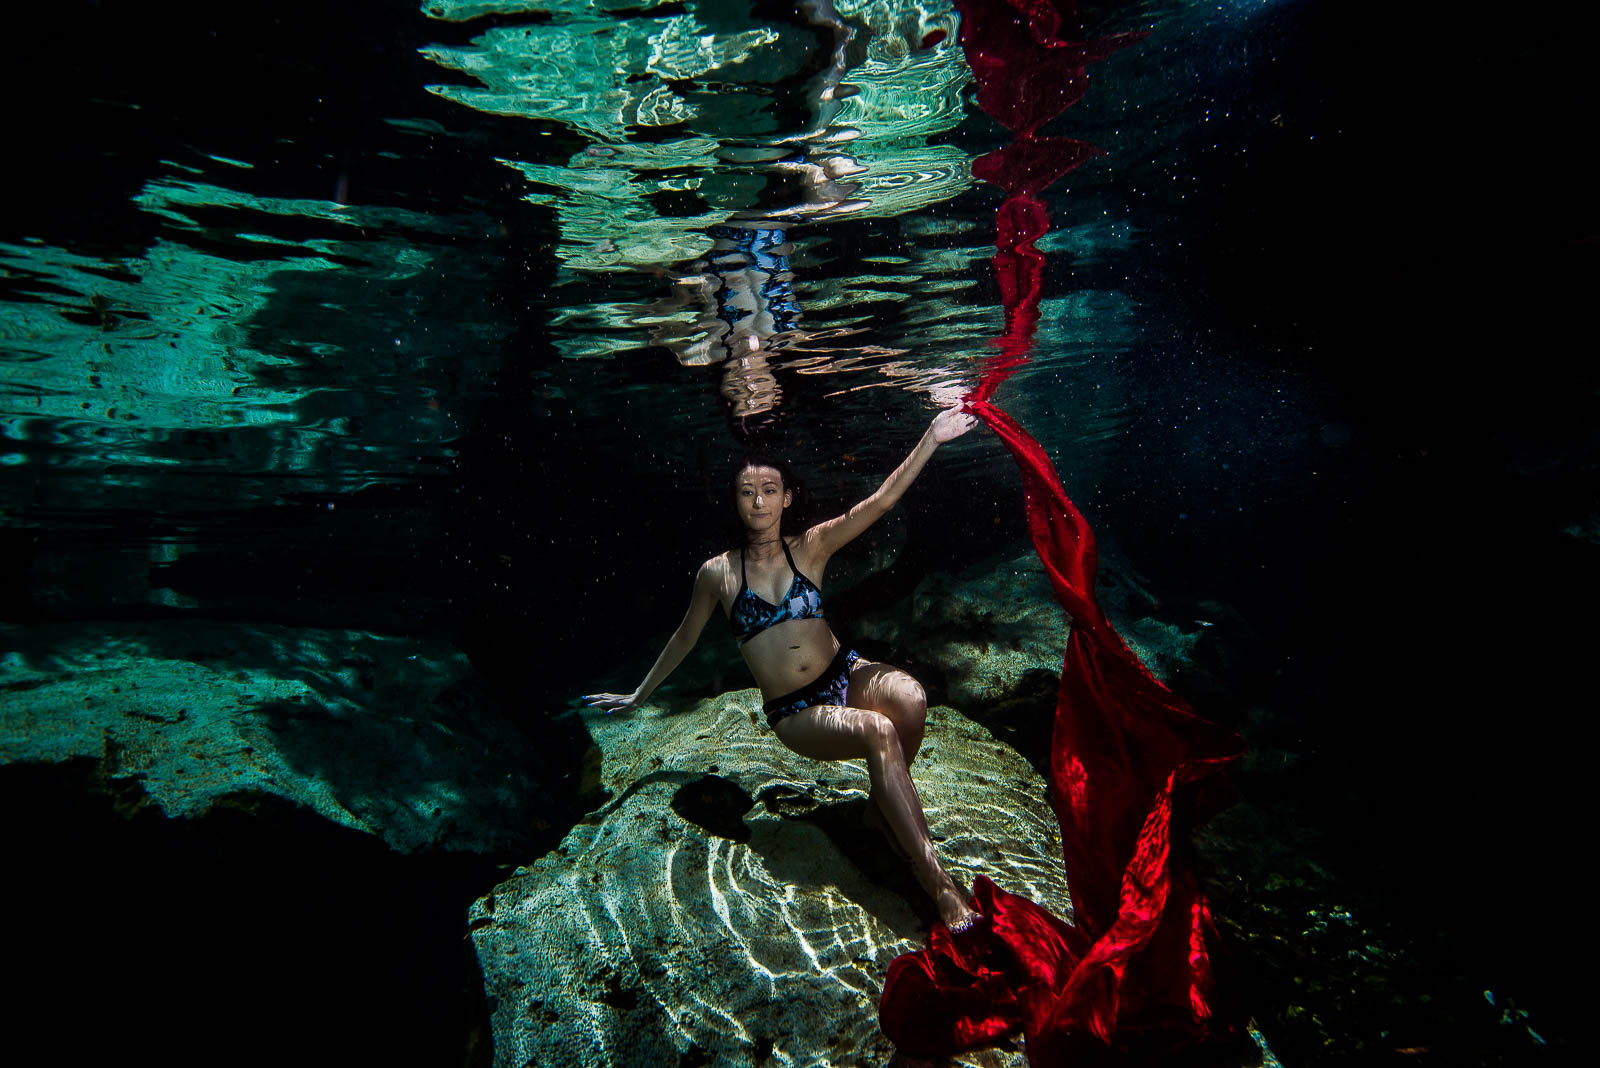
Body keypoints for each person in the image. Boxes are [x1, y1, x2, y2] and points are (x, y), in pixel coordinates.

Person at [584, 406, 982, 930]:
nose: (759, 501)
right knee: (878, 730)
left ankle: (881, 810)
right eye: (748, 492)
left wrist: (931, 436)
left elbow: (881, 501)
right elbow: (684, 637)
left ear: (787, 497)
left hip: (846, 670)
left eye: (770, 490)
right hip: (796, 709)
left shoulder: (810, 548)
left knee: (909, 696)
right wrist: (639, 696)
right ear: (735, 500)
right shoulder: (718, 574)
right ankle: (941, 888)